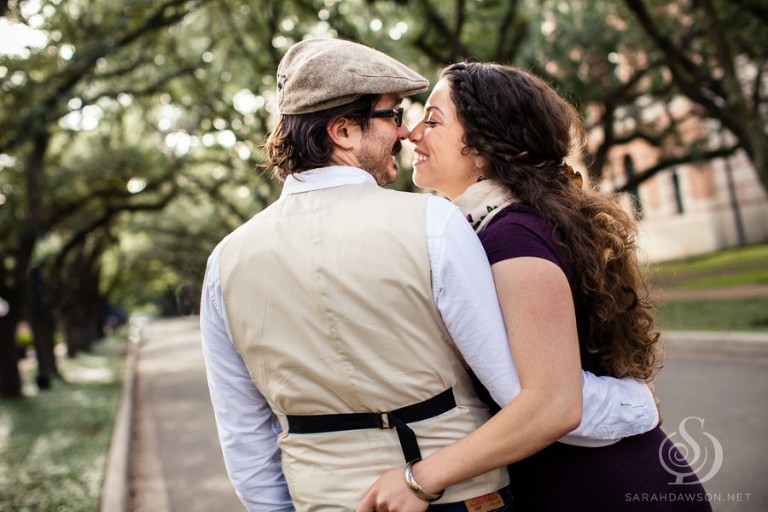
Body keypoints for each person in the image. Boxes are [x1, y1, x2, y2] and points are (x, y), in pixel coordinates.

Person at [200, 39, 660, 511]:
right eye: (394, 115)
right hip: (460, 497)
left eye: (423, 119)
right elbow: (522, 393)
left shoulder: (223, 264)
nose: (406, 132)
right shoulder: (432, 224)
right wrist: (636, 404)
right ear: (343, 131)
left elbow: (246, 439)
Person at [358, 62, 712, 511]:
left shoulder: (512, 237)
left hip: (608, 491)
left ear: (483, 147)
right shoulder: (495, 228)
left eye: (433, 120)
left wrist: (418, 480)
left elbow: (552, 405)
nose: (411, 134)